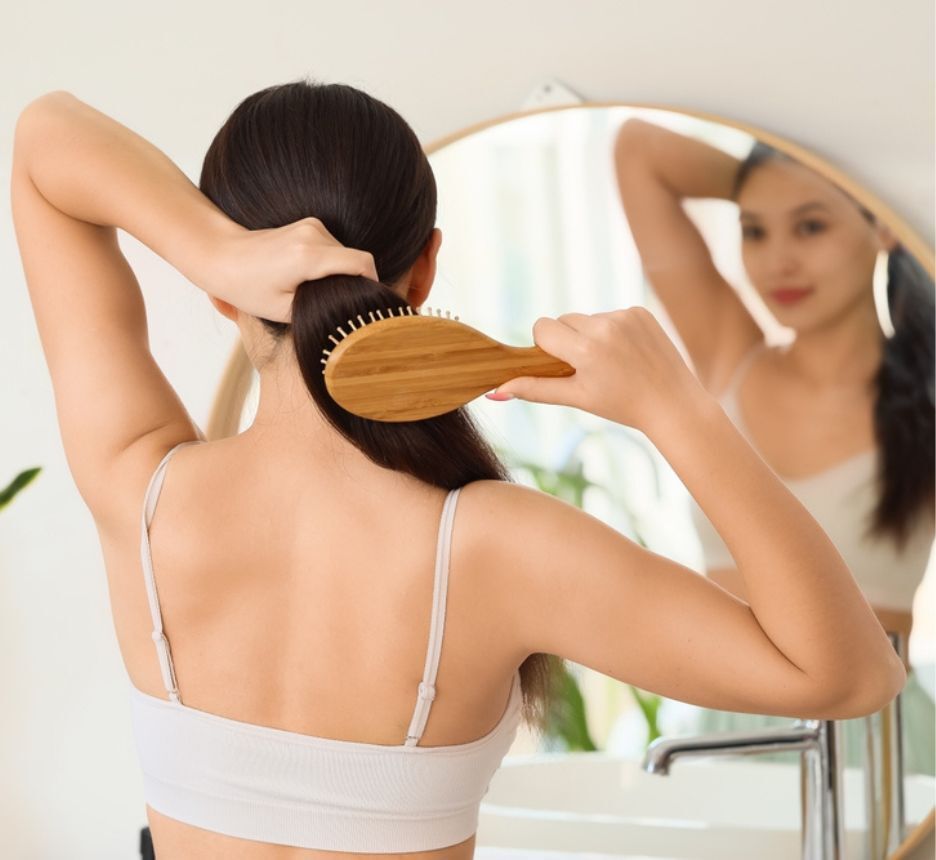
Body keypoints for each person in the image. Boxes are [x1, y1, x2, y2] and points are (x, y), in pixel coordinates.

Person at [12, 82, 906, 860]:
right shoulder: (492, 546)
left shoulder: (143, 493)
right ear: (426, 265)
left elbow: (45, 137)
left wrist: (216, 250)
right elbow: (851, 677)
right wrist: (678, 409)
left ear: (218, 292)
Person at [612, 117, 935, 774]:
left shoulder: (927, 397)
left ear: (882, 227)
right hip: (723, 736)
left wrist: (855, 181)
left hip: (878, 749)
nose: (777, 260)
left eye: (811, 226)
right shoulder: (731, 356)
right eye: (754, 230)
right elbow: (640, 149)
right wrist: (781, 181)